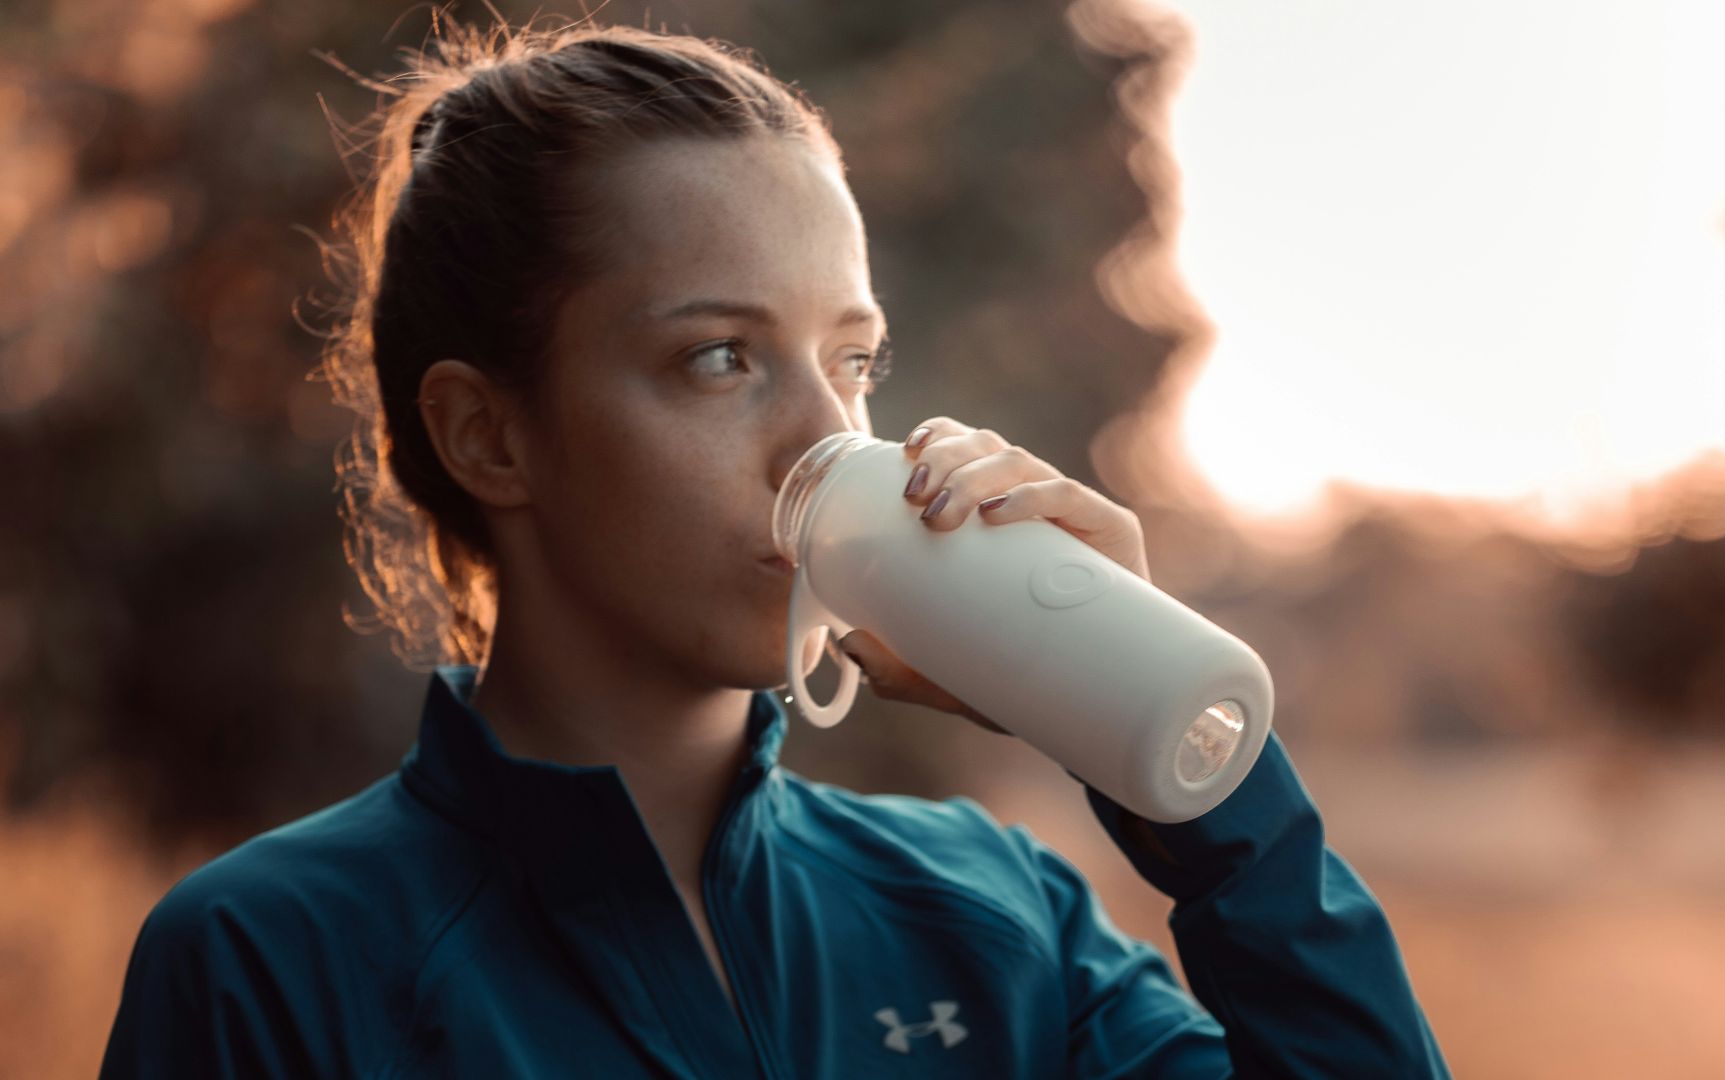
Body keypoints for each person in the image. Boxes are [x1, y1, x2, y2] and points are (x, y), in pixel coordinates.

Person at [99, 15, 1449, 1078]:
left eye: (853, 362)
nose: (828, 437)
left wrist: (1187, 773)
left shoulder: (994, 922)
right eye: (722, 357)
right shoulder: (271, 965)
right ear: (487, 436)